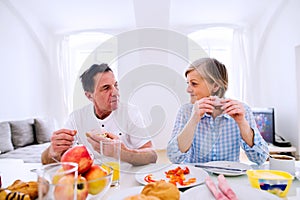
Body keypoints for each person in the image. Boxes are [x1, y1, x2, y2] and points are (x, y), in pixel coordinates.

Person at [42, 63, 157, 166]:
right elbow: (46, 161)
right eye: (106, 88)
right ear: (89, 96)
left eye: (115, 85)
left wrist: (120, 152)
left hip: (124, 179)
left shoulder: (130, 113)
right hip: (91, 183)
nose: (115, 92)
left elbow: (152, 156)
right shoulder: (77, 118)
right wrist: (53, 150)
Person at [167, 57, 268, 165]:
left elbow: (260, 159)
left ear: (215, 86)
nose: (188, 89)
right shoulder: (186, 111)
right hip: (195, 178)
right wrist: (193, 119)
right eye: (188, 83)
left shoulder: (242, 111)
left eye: (194, 84)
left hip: (228, 178)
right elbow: (174, 157)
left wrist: (242, 123)